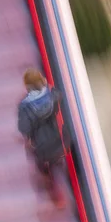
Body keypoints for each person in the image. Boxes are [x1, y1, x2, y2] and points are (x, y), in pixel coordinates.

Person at [17, 68, 71, 208]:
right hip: (60, 142)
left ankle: (55, 194)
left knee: (44, 165)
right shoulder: (53, 95)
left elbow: (24, 128)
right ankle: (62, 182)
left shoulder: (24, 106)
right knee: (55, 163)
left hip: (43, 149)